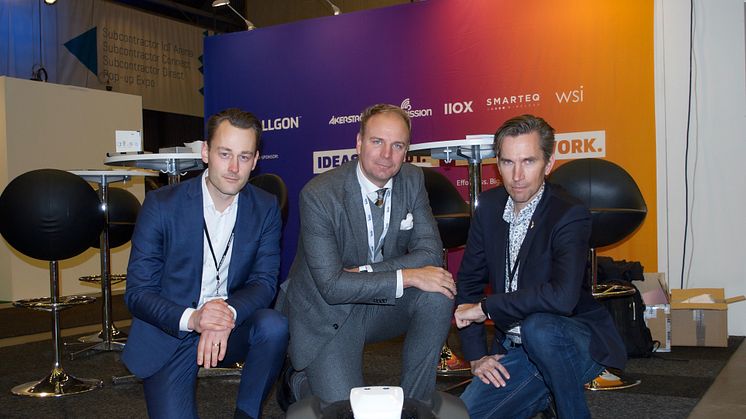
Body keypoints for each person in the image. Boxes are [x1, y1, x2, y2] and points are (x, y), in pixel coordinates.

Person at [279, 103, 455, 406]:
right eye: (377, 142)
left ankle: (416, 403)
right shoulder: (319, 194)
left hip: (378, 300)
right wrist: (406, 275)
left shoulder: (412, 180)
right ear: (358, 143)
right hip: (329, 310)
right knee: (344, 410)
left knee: (438, 291)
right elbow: (333, 287)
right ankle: (299, 380)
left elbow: (429, 251)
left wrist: (367, 272)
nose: (387, 155)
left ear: (406, 151)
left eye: (397, 145)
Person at [453, 114, 626, 419]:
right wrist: (477, 356)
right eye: (507, 162)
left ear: (548, 164)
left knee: (539, 327)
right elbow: (468, 282)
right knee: (466, 414)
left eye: (528, 162)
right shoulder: (489, 208)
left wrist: (487, 307)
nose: (517, 175)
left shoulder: (569, 214)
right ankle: (538, 396)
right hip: (516, 347)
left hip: (573, 342)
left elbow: (562, 297)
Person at [122, 108, 288, 419]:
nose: (233, 167)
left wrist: (225, 312)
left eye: (244, 156)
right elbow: (138, 293)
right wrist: (196, 319)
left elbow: (264, 282)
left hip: (231, 327)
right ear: (205, 153)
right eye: (225, 153)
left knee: (274, 326)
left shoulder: (265, 207)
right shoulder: (161, 206)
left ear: (255, 161)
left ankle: (247, 413)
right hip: (173, 328)